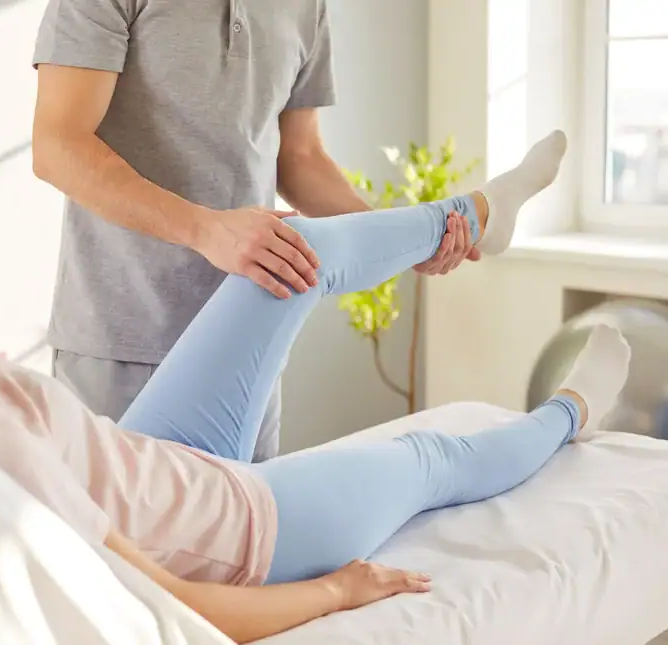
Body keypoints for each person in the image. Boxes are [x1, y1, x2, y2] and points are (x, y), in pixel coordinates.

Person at [0, 131, 630, 643]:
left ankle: (474, 216)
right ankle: (571, 413)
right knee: (429, 456)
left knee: (276, 253)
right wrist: (341, 586)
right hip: (241, 526)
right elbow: (169, 604)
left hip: (159, 451)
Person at [31, 0, 480, 460]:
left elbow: (300, 158)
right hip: (121, 342)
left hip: (252, 336)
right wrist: (206, 230)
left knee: (245, 528)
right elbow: (58, 144)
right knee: (110, 531)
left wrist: (398, 240)